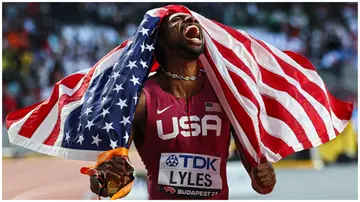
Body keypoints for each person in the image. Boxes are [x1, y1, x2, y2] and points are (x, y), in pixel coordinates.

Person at [89, 12, 276, 199]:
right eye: (177, 20)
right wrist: (106, 179)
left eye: (195, 20)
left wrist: (263, 176)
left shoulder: (225, 92)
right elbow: (110, 188)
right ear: (161, 41)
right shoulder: (141, 99)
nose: (191, 19)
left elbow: (261, 185)